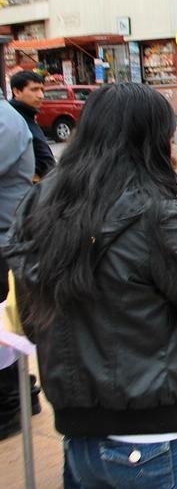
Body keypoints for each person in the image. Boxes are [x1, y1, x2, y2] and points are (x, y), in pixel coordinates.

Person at [3, 83, 177, 487]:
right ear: (150, 141)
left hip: (82, 438)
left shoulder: (39, 207)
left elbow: (33, 322)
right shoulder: (156, 214)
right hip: (161, 441)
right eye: (169, 136)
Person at [0, 99, 39, 441]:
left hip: (7, 238)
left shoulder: (5, 120)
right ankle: (21, 393)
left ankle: (13, 400)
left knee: (10, 329)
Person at [10, 70, 55, 179]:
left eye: (42, 90)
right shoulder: (13, 119)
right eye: (34, 89)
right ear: (17, 92)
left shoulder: (28, 115)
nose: (40, 95)